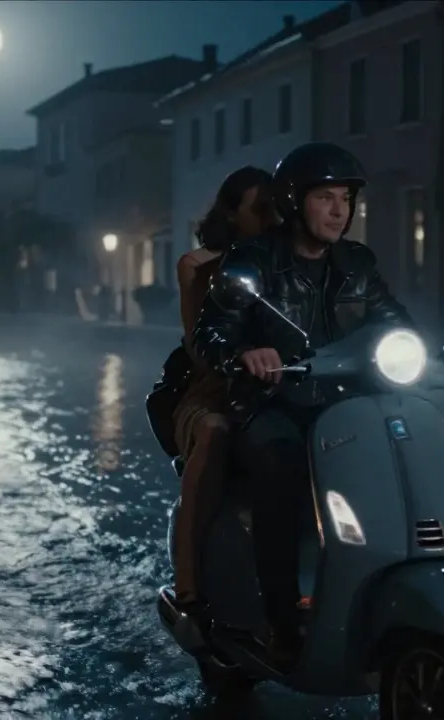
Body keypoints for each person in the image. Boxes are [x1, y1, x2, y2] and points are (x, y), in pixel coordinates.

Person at [192, 143, 444, 666]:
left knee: (403, 452)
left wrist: (434, 359)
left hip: (347, 404)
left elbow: (393, 320)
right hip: (273, 403)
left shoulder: (357, 263)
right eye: (326, 198)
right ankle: (282, 617)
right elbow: (211, 330)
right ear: (295, 201)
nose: (340, 211)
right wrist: (244, 353)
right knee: (282, 465)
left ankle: (376, 584)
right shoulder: (255, 260)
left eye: (346, 199)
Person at [168, 165, 275, 609]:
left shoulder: (291, 259)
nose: (274, 218)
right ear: (232, 214)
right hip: (214, 390)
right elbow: (199, 345)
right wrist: (241, 355)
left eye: (278, 207)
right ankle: (188, 580)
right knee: (214, 431)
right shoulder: (199, 267)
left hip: (280, 386)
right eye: (262, 208)